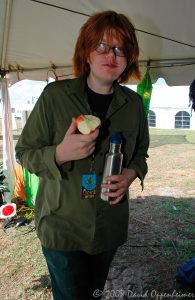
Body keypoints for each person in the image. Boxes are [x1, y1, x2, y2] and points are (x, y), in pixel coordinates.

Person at [15, 10, 149, 300]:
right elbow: (24, 153)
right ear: (86, 53)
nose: (110, 54)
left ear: (128, 58)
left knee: (94, 293)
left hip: (108, 227)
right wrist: (59, 153)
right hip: (61, 226)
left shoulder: (134, 104)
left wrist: (131, 173)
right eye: (100, 45)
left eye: (119, 49)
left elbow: (141, 154)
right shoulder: (55, 97)